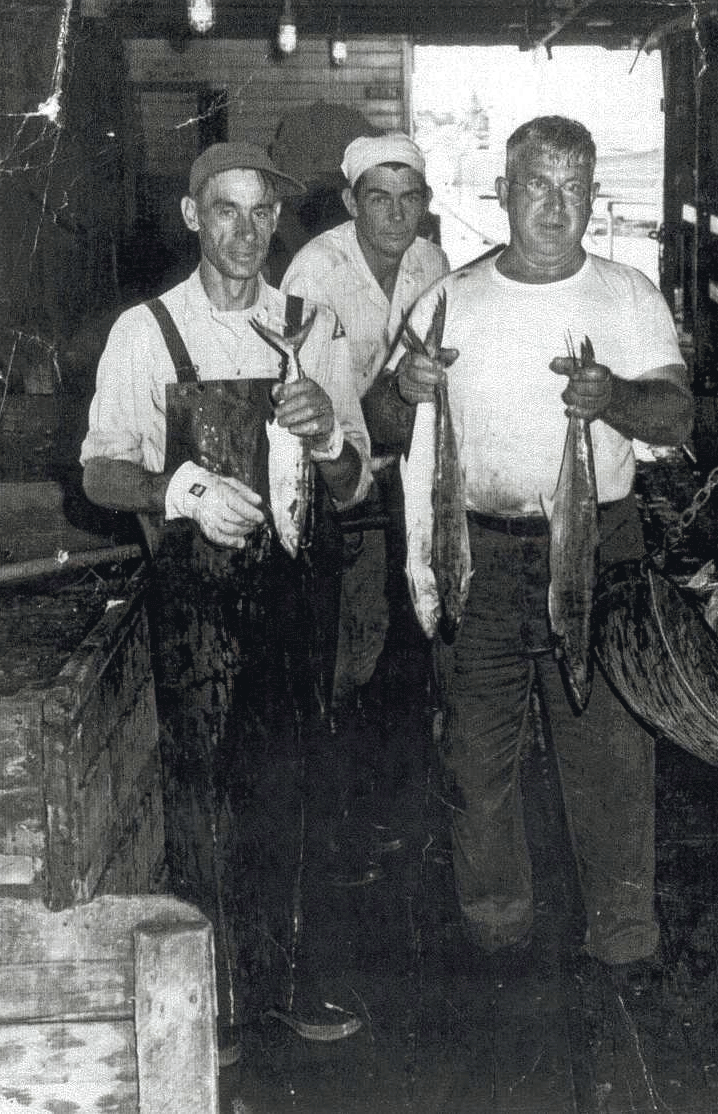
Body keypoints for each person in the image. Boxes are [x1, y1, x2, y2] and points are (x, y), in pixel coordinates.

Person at [363, 116, 692, 984]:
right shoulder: (450, 298)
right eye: (538, 185)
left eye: (574, 187)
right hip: (473, 548)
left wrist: (614, 397)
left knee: (611, 750)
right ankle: (496, 929)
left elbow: (675, 416)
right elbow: (381, 422)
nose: (556, 204)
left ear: (593, 196)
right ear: (502, 193)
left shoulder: (628, 294)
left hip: (598, 548)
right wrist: (405, 388)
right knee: (476, 753)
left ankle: (623, 936)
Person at [80, 141, 373, 1062]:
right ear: (191, 216)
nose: (246, 232)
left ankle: (289, 985)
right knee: (201, 793)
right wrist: (182, 490)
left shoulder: (314, 326)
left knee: (295, 782)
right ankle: (214, 1008)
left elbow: (355, 483)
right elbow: (99, 471)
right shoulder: (146, 332)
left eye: (261, 212)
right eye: (225, 210)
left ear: (276, 220)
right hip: (193, 608)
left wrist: (328, 439)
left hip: (297, 596)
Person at [280, 135, 449, 879]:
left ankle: (396, 814)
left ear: (426, 203)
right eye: (379, 198)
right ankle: (334, 828)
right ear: (352, 202)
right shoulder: (315, 271)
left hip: (406, 480)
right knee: (342, 649)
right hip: (333, 477)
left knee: (408, 638)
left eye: (410, 199)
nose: (396, 215)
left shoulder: (431, 264)